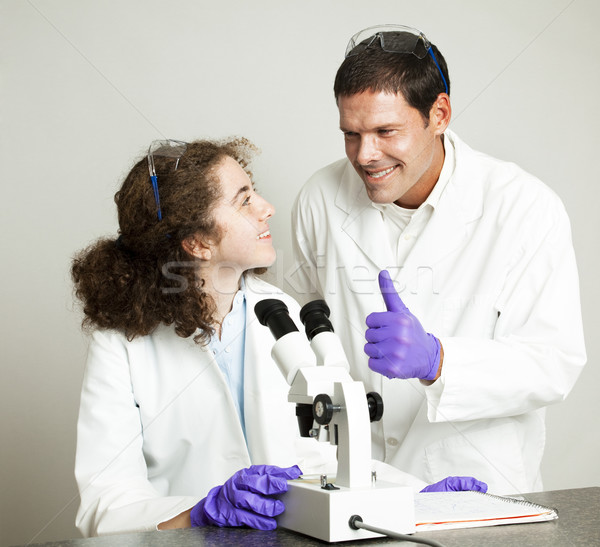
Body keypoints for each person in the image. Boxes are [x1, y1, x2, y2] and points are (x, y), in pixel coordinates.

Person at [72, 137, 481, 537]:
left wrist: (410, 497)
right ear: (197, 242)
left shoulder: (279, 310)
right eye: (244, 200)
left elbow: (320, 460)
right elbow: (105, 506)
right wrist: (197, 514)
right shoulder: (121, 343)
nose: (267, 209)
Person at [291, 25, 586, 495]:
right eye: (351, 134)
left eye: (386, 131)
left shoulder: (524, 206)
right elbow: (307, 336)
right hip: (353, 485)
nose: (365, 156)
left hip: (476, 488)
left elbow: (554, 363)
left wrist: (439, 360)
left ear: (440, 113)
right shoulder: (319, 199)